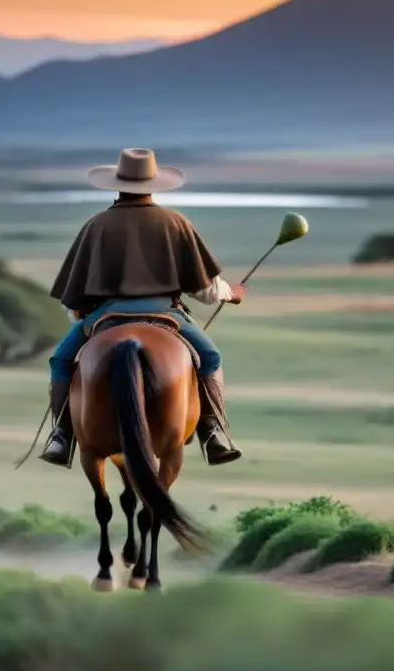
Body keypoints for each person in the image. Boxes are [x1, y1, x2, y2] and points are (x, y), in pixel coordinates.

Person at [38, 148, 247, 469]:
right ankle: (212, 431)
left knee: (62, 362)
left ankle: (61, 435)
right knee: (210, 358)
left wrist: (80, 317)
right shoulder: (174, 222)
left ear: (117, 183)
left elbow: (72, 299)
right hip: (165, 313)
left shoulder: (97, 224)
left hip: (106, 315)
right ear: (154, 184)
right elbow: (205, 290)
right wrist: (230, 294)